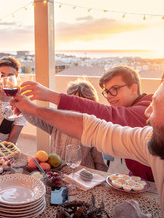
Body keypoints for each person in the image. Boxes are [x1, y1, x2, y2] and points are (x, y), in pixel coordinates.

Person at [11, 55, 164, 217]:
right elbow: (95, 128)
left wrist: (51, 97)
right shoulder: (158, 145)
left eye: (155, 106)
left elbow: (107, 118)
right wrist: (34, 110)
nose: (147, 114)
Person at [20, 65, 154, 181]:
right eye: (106, 91)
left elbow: (106, 119)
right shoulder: (57, 127)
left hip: (83, 178)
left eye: (114, 89)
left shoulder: (146, 110)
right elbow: (38, 120)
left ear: (133, 88)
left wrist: (51, 96)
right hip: (60, 173)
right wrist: (24, 107)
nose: (108, 96)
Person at [24, 79, 107, 171]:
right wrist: (23, 106)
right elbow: (35, 119)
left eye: (83, 105)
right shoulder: (57, 121)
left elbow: (100, 164)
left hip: (82, 177)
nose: (77, 110)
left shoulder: (92, 129)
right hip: (58, 171)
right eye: (74, 104)